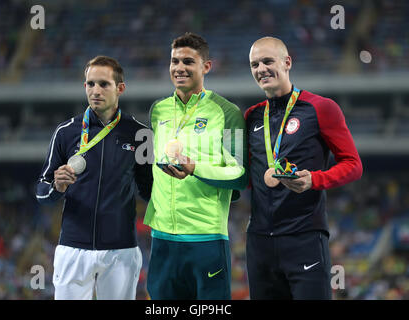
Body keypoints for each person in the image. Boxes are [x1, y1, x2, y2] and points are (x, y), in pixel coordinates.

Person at [244, 37, 363, 300]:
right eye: (254, 64)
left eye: (267, 61)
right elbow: (245, 176)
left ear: (287, 62)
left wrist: (314, 180)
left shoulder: (320, 108)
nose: (261, 69)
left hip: (304, 238)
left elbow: (353, 165)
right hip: (259, 241)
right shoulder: (251, 116)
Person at [35, 55, 152, 300]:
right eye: (90, 84)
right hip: (73, 248)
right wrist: (56, 186)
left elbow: (149, 190)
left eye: (104, 84)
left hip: (121, 250)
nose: (95, 90)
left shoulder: (140, 134)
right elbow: (41, 192)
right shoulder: (66, 132)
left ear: (120, 88)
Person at [143, 32, 247, 300]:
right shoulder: (158, 110)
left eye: (188, 61)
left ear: (206, 66)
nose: (179, 68)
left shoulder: (227, 112)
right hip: (162, 238)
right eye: (174, 61)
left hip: (206, 238)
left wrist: (196, 169)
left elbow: (239, 175)